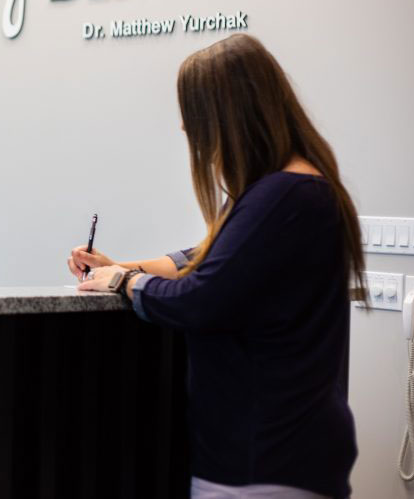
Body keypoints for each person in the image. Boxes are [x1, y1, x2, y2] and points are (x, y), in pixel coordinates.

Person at [71, 34, 363, 499]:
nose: (186, 129)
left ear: (226, 115)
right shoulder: (287, 190)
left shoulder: (283, 195)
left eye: (193, 114)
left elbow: (201, 296)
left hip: (266, 462)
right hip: (283, 455)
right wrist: (114, 266)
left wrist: (127, 282)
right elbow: (205, 258)